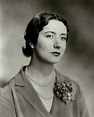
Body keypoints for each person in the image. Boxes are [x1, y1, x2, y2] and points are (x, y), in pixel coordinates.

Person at [0, 11, 89, 117]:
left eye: (63, 38)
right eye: (50, 36)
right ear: (31, 42)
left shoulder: (74, 89)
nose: (58, 44)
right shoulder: (8, 94)